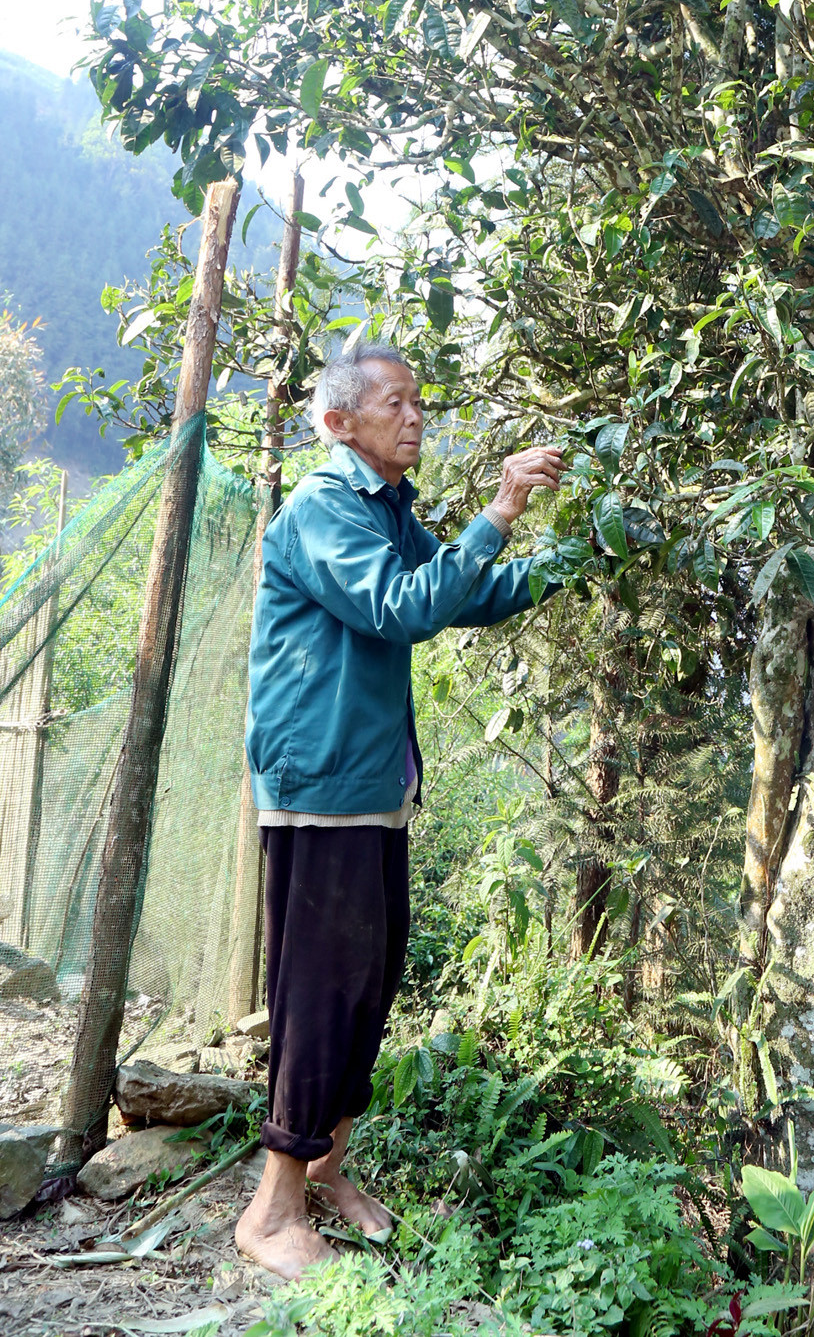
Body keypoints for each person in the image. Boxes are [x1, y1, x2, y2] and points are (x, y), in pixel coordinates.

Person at [234, 336, 562, 1277]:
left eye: (419, 402)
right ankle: (270, 1210)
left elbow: (461, 593)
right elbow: (403, 608)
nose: (415, 416)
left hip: (374, 787)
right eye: (395, 404)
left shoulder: (384, 508)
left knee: (367, 988)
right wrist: (498, 509)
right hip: (323, 781)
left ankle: (330, 1171)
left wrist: (571, 555)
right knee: (319, 996)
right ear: (339, 423)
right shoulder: (323, 509)